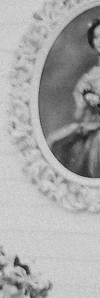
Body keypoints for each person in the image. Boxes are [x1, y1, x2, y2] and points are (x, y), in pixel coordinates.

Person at [47, 17, 100, 178]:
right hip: (90, 130)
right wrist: (84, 100)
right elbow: (78, 115)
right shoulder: (89, 76)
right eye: (96, 37)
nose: (99, 41)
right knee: (54, 143)